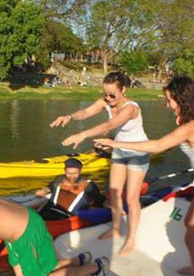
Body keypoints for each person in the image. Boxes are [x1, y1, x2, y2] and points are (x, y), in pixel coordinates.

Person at [94, 76, 194, 276]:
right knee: (189, 226)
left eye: (169, 99)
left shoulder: (190, 127)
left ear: (181, 99)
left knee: (191, 237)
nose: (166, 104)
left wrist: (115, 144)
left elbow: (158, 146)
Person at [50, 71, 150, 255]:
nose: (108, 98)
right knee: (113, 194)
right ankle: (116, 228)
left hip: (138, 152)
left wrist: (82, 134)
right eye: (105, 94)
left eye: (112, 95)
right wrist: (69, 117)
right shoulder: (105, 102)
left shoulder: (131, 108)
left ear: (123, 90)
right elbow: (86, 112)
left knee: (131, 198)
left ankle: (131, 239)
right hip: (119, 149)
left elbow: (109, 126)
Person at [35, 157, 106, 219]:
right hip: (50, 210)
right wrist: (43, 191)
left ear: (80, 171)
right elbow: (49, 188)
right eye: (68, 173)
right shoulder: (60, 179)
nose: (71, 176)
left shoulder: (88, 185)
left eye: (75, 173)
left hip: (68, 217)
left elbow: (100, 200)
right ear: (64, 170)